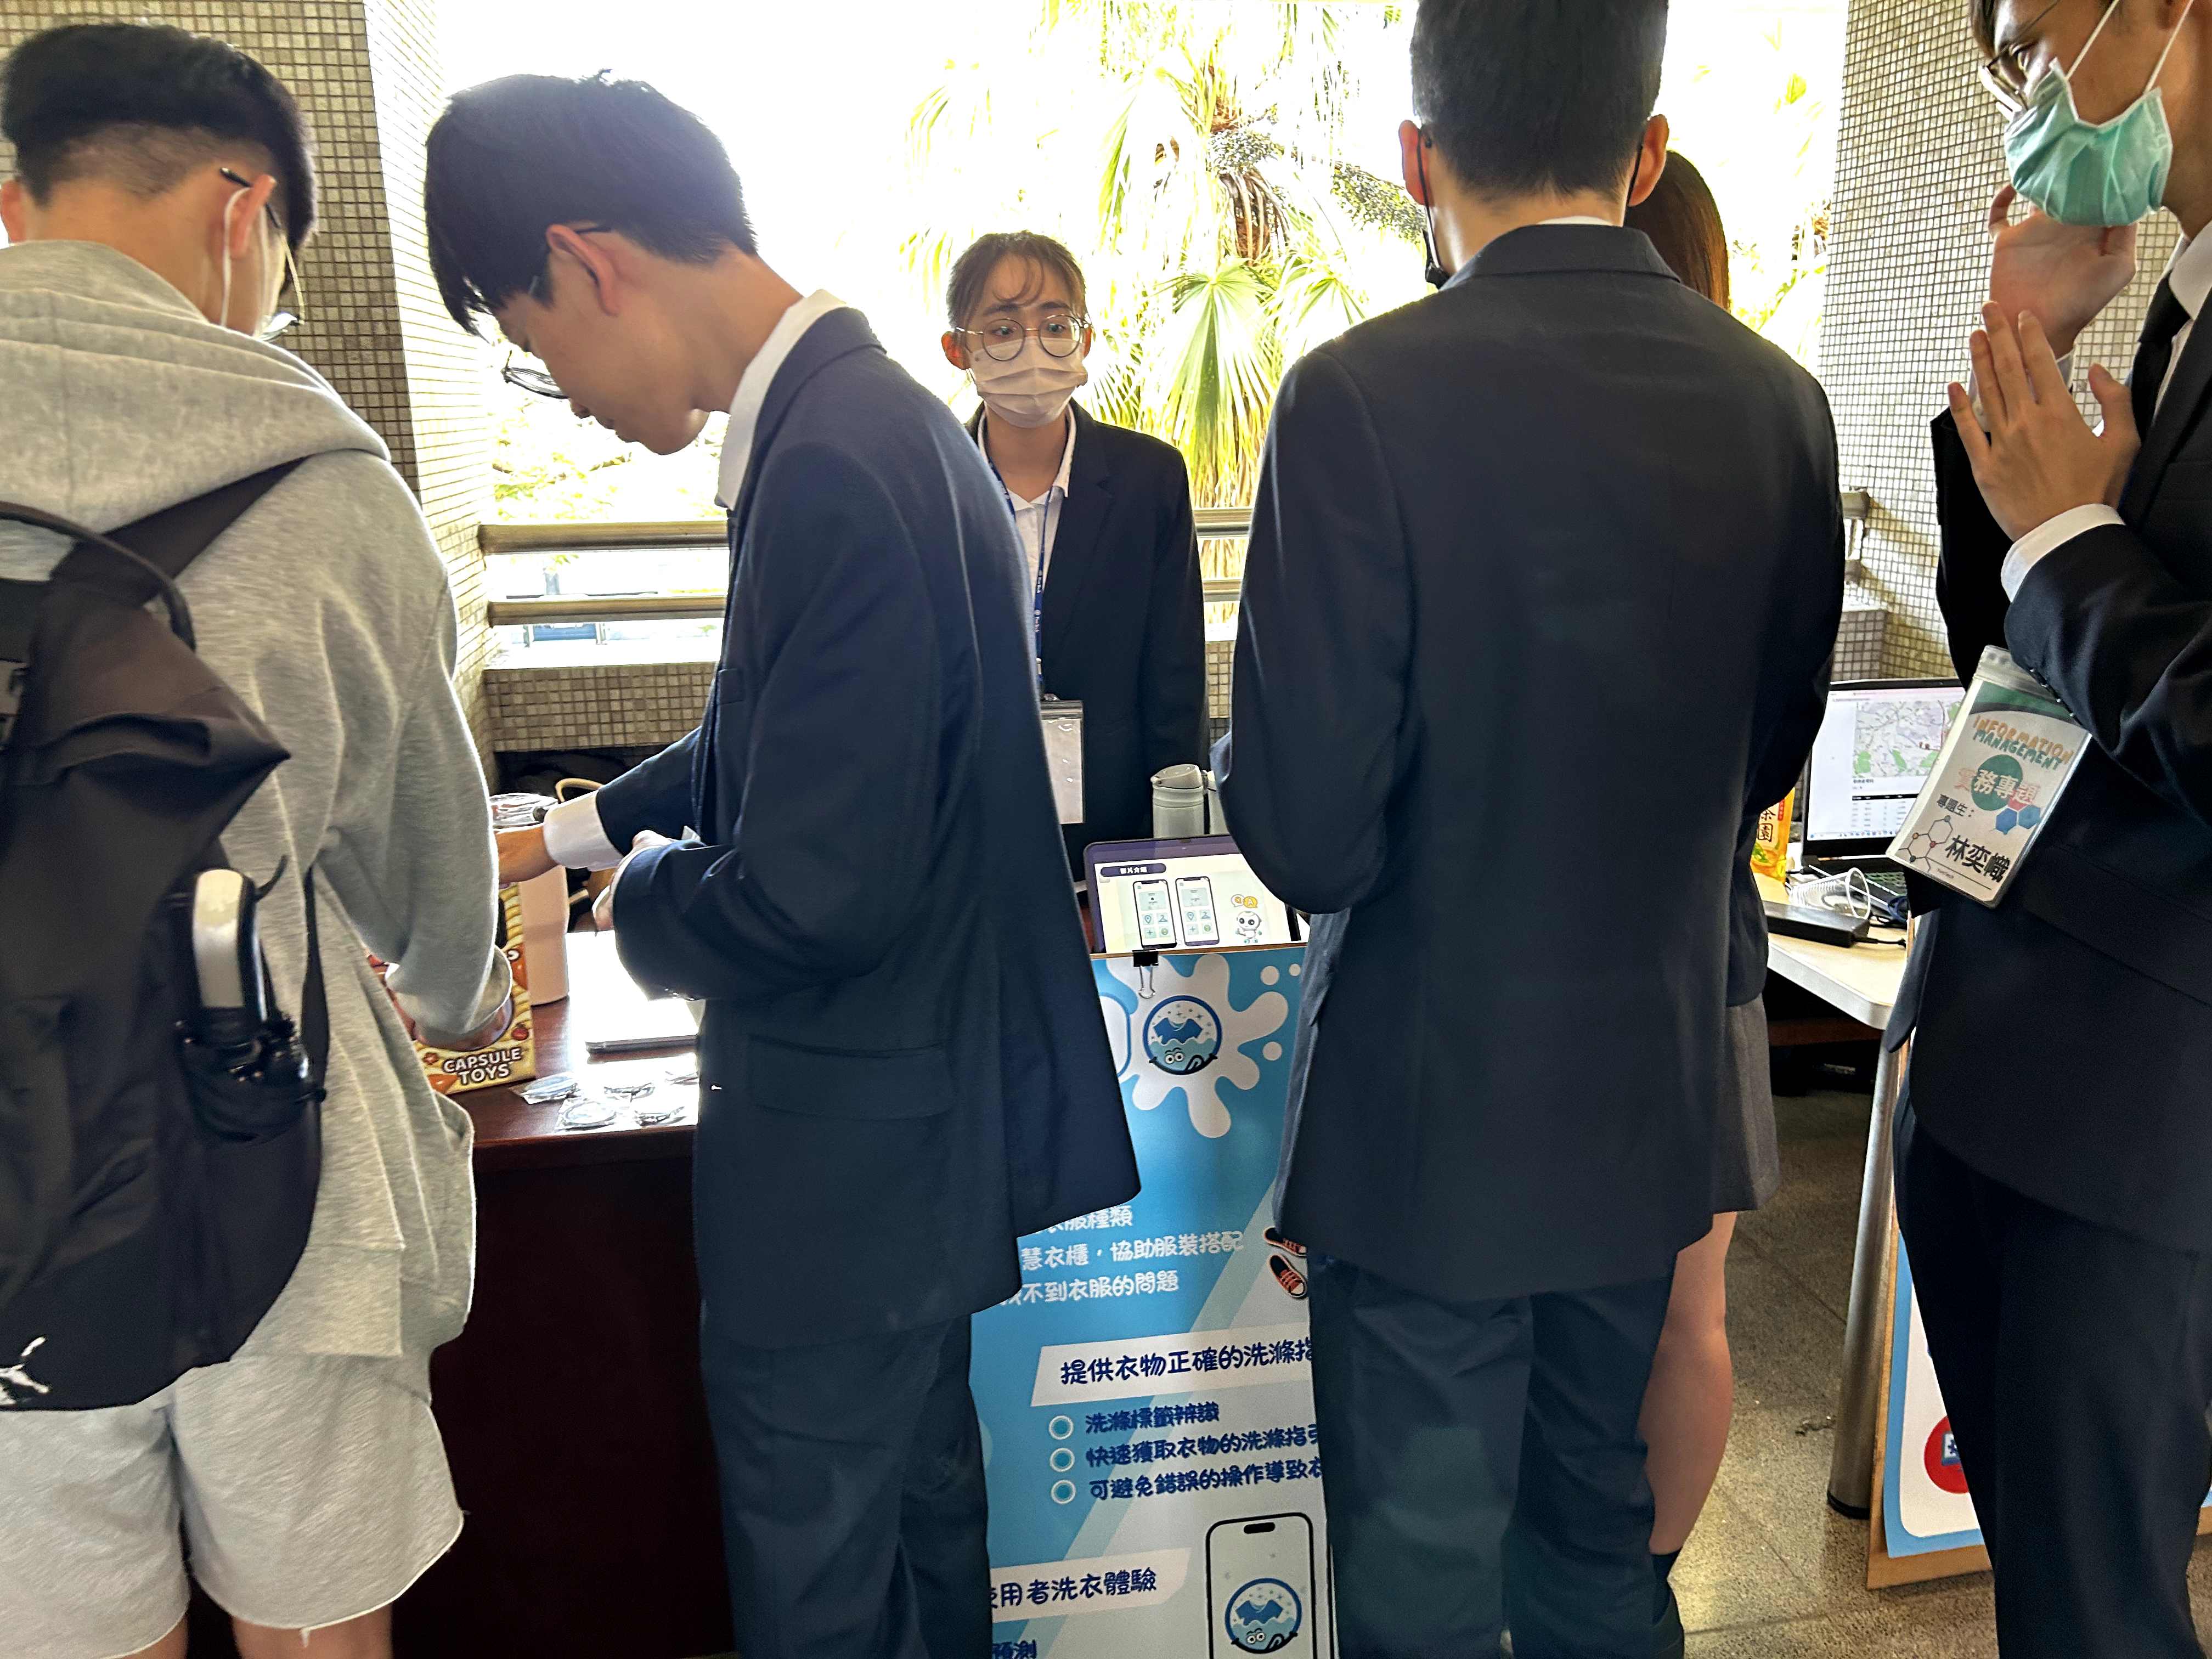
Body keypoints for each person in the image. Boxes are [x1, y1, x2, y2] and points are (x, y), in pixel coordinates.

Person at [430, 72, 1139, 1659]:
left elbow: (818, 891)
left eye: (538, 347)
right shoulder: (878, 420)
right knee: (923, 1542)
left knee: (821, 1589)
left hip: (837, 1180)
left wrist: (643, 899)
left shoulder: (830, 461)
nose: (569, 393)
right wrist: (566, 832)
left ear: (589, 263)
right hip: (909, 1149)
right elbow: (775, 732)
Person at [1212, 2, 1843, 1654]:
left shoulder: (1355, 398)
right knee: (1595, 1549)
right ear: (1647, 152)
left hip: (1426, 1134)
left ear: (1416, 157)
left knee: (1423, 1587)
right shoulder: (1778, 403)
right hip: (1645, 1110)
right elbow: (1766, 761)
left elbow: (1308, 838)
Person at [0, 23, 510, 1659]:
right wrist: (465, 999)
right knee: (313, 1626)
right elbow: (427, 877)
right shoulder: (324, 481)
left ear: (16, 205)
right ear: (246, 211)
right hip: (274, 1168)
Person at [1892, 1, 2212, 1652]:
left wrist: (2079, 541)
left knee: (2097, 1614)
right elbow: (2017, 654)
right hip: (2006, 1053)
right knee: (2051, 1594)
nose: (2026, 96)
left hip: (2145, 1122)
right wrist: (2017, 363)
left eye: (2036, 45)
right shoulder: (2178, 306)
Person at [1623, 149, 1781, 1647]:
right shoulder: (1766, 424)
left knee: (1673, 1306)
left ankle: (1630, 1581)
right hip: (1702, 933)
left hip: (1661, 938)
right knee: (1689, 1303)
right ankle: (1638, 1579)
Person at [940, 231, 1207, 873]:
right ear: (958, 349)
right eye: (1002, 329)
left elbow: (1175, 673)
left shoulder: (1149, 478)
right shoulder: (923, 481)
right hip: (963, 822)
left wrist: (1172, 846)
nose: (1032, 346)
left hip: (1115, 825)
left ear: (1085, 339)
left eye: (1055, 325)